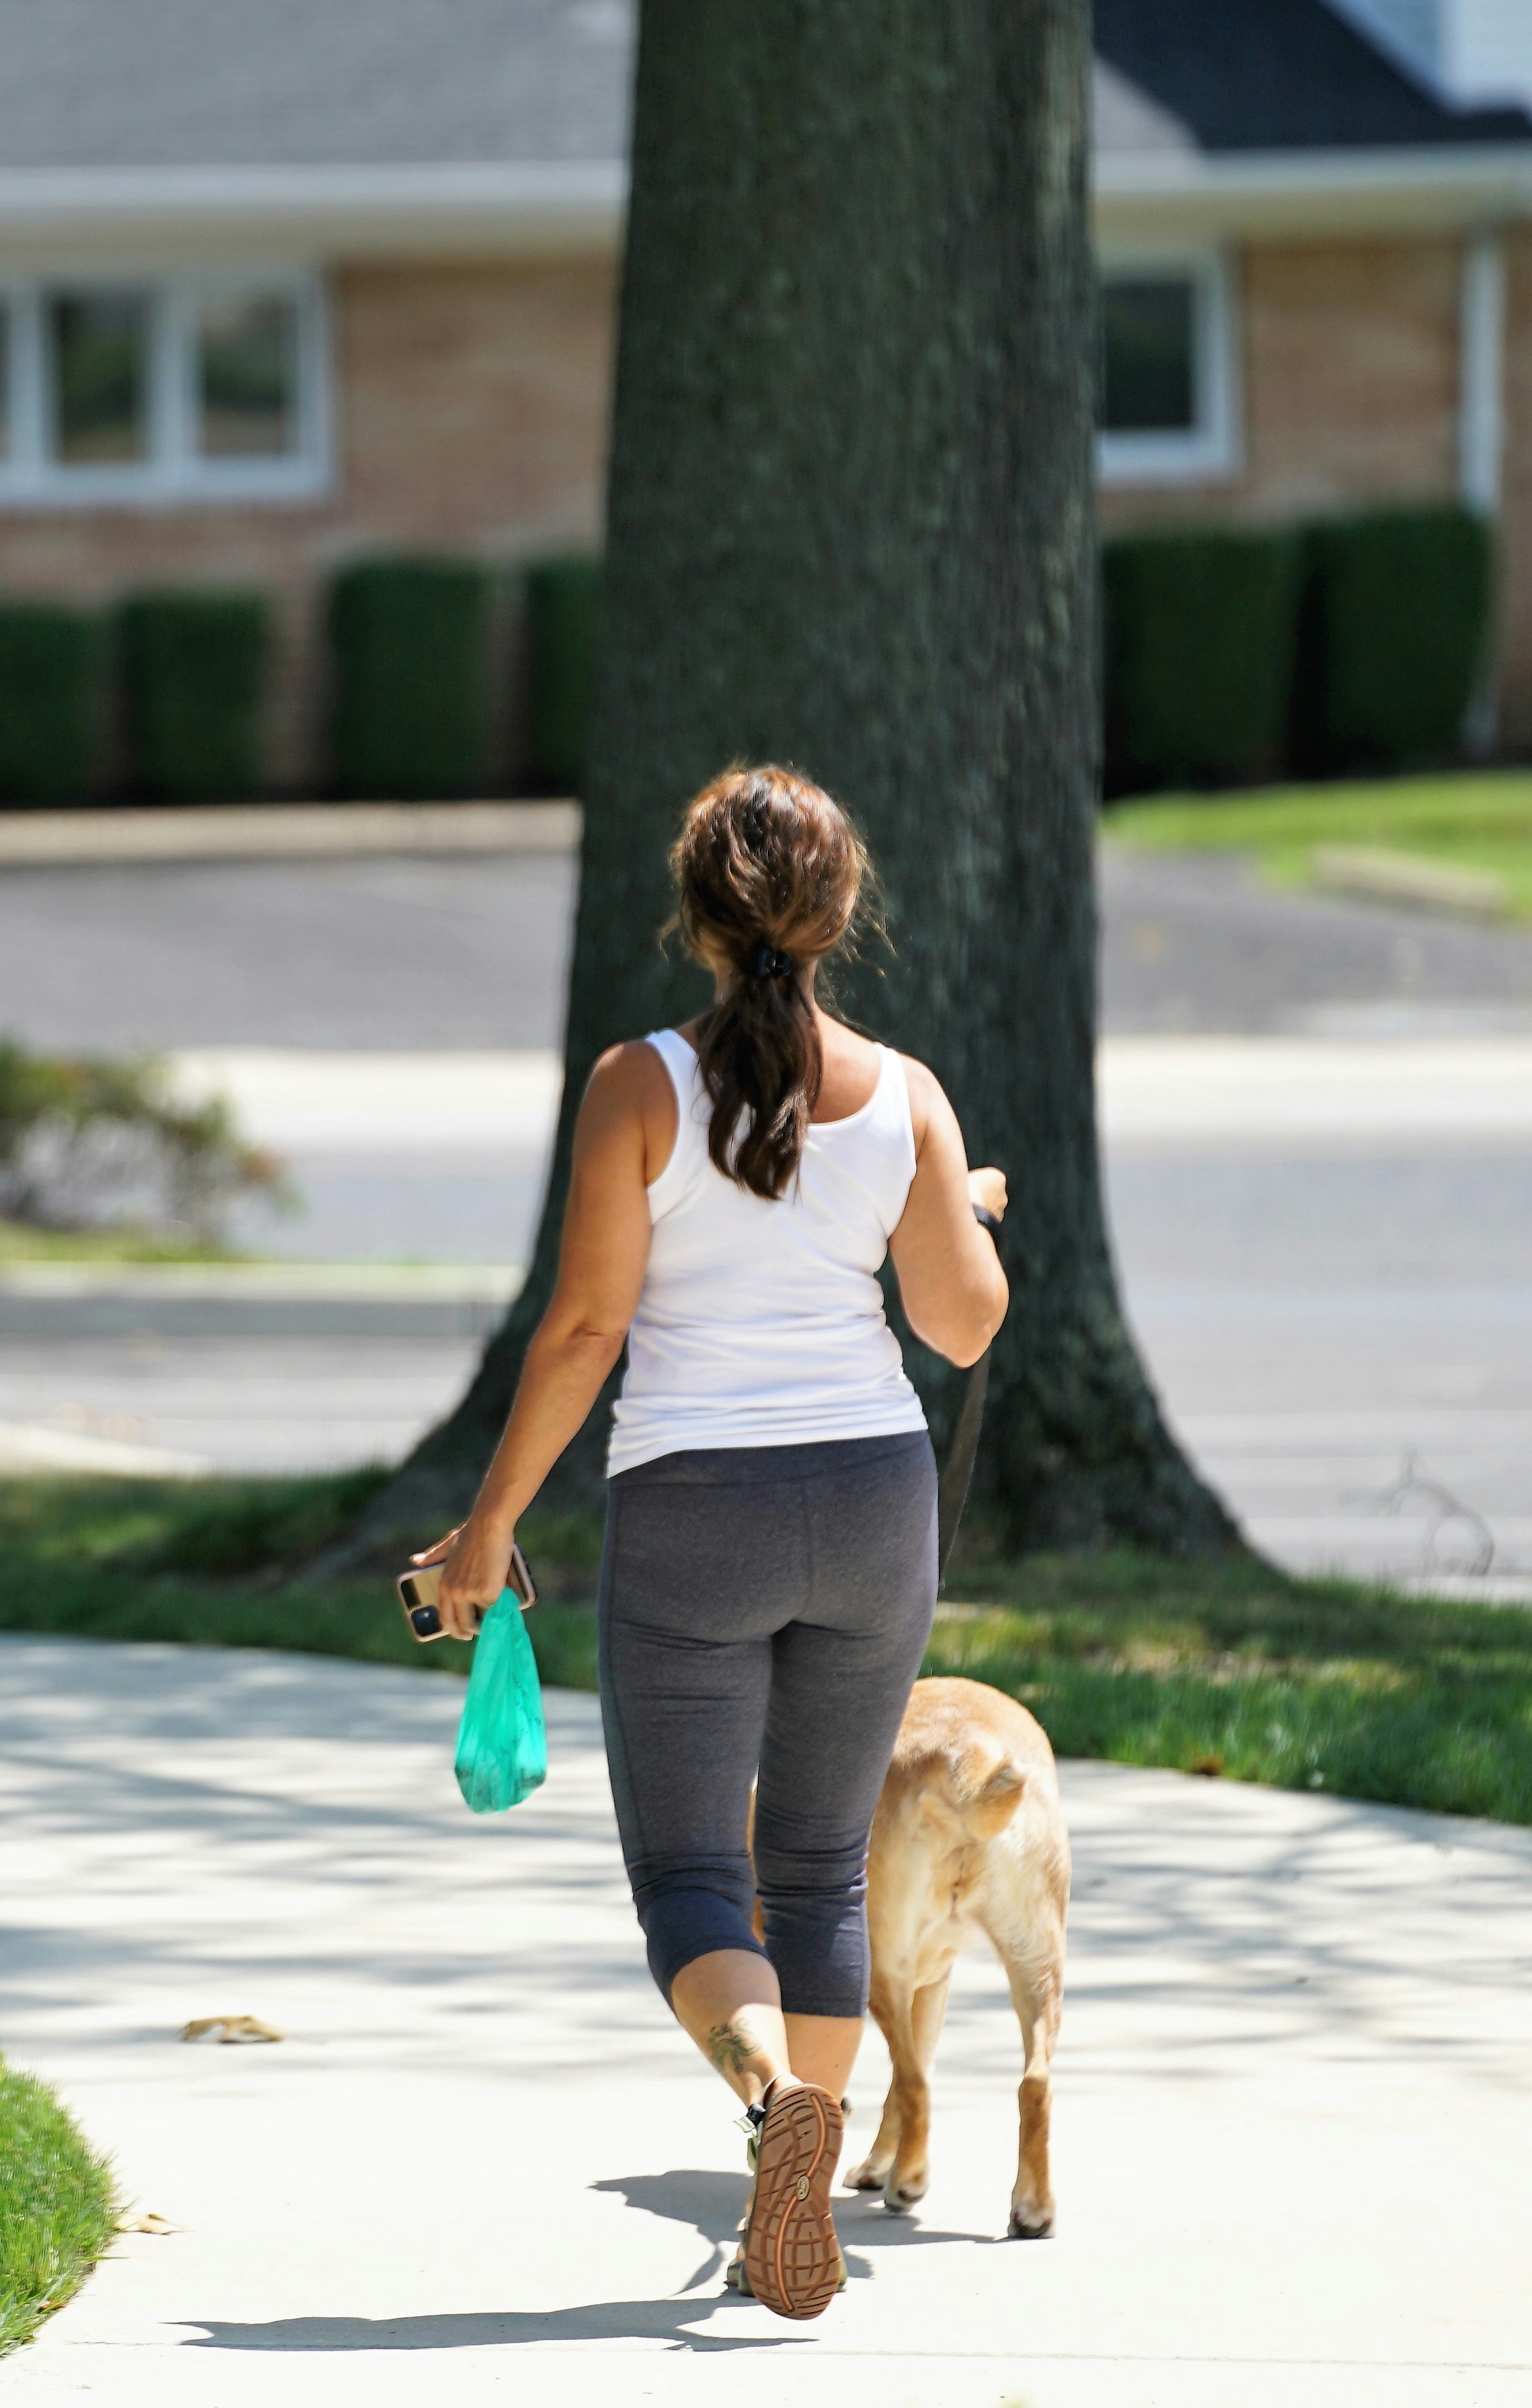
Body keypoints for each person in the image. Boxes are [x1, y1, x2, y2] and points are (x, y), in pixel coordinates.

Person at [415, 761, 1010, 2323]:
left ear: (693, 914)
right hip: (877, 1504)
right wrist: (964, 1214)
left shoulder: (638, 1085)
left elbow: (590, 1325)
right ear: (839, 911)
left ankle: (772, 2108)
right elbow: (958, 1328)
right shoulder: (910, 1093)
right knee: (812, 1871)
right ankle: (787, 2189)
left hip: (700, 1511)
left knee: (694, 1873)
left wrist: (489, 1524)